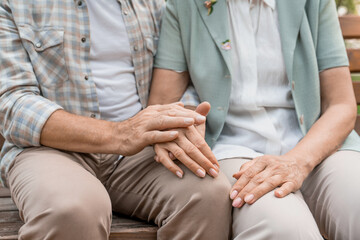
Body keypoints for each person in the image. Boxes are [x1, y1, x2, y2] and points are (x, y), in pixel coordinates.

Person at [0, 0, 233, 239]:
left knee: (210, 194)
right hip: (50, 150)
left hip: (140, 153)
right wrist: (120, 134)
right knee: (72, 209)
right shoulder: (13, 4)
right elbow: (11, 104)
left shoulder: (155, 4)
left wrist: (181, 120)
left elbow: (182, 75)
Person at [148, 0, 360, 239]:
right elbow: (162, 104)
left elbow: (340, 104)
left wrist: (297, 163)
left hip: (317, 145)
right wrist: (186, 120)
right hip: (234, 151)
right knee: (284, 229)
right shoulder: (185, 5)